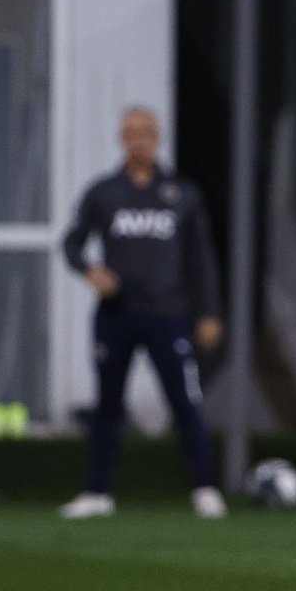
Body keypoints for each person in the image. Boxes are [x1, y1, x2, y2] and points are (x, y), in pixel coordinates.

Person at [60, 106, 227, 520]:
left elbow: (200, 259)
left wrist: (208, 312)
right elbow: (71, 244)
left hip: (168, 314)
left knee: (184, 401)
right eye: (132, 133)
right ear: (122, 138)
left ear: (157, 137)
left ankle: (205, 488)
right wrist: (91, 271)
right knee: (108, 404)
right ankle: (97, 491)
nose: (139, 140)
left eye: (146, 132)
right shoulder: (104, 193)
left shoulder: (182, 194)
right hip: (116, 315)